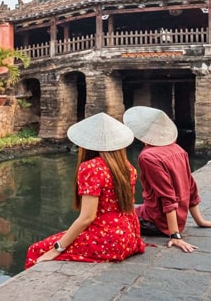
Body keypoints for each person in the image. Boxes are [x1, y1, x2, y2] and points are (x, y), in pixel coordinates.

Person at [25, 112, 146, 268]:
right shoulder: (128, 167)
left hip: (107, 240)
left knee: (36, 250)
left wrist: (57, 249)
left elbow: (87, 217)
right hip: (130, 237)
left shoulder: (91, 168)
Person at [124, 106, 211, 253]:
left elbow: (167, 196)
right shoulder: (178, 150)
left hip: (156, 221)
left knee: (110, 218)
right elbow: (190, 187)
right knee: (133, 209)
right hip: (175, 217)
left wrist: (175, 236)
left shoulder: (148, 157)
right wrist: (200, 221)